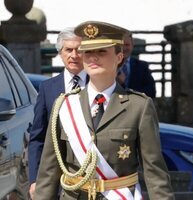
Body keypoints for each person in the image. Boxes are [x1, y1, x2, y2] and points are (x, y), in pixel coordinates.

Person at [34, 21, 175, 200]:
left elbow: (155, 172)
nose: (93, 58)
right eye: (88, 52)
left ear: (119, 57)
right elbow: (48, 171)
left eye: (101, 51)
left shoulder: (138, 106)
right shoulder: (65, 105)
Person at [28, 28, 88, 199]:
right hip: (57, 176)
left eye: (79, 50)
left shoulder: (98, 85)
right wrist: (34, 180)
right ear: (60, 54)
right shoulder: (48, 88)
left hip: (94, 174)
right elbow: (37, 137)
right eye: (68, 50)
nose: (74, 55)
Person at [117, 31, 156, 98]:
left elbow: (151, 91)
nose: (123, 48)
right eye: (121, 45)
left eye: (127, 45)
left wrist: (126, 89)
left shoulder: (142, 66)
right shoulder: (109, 65)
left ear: (132, 46)